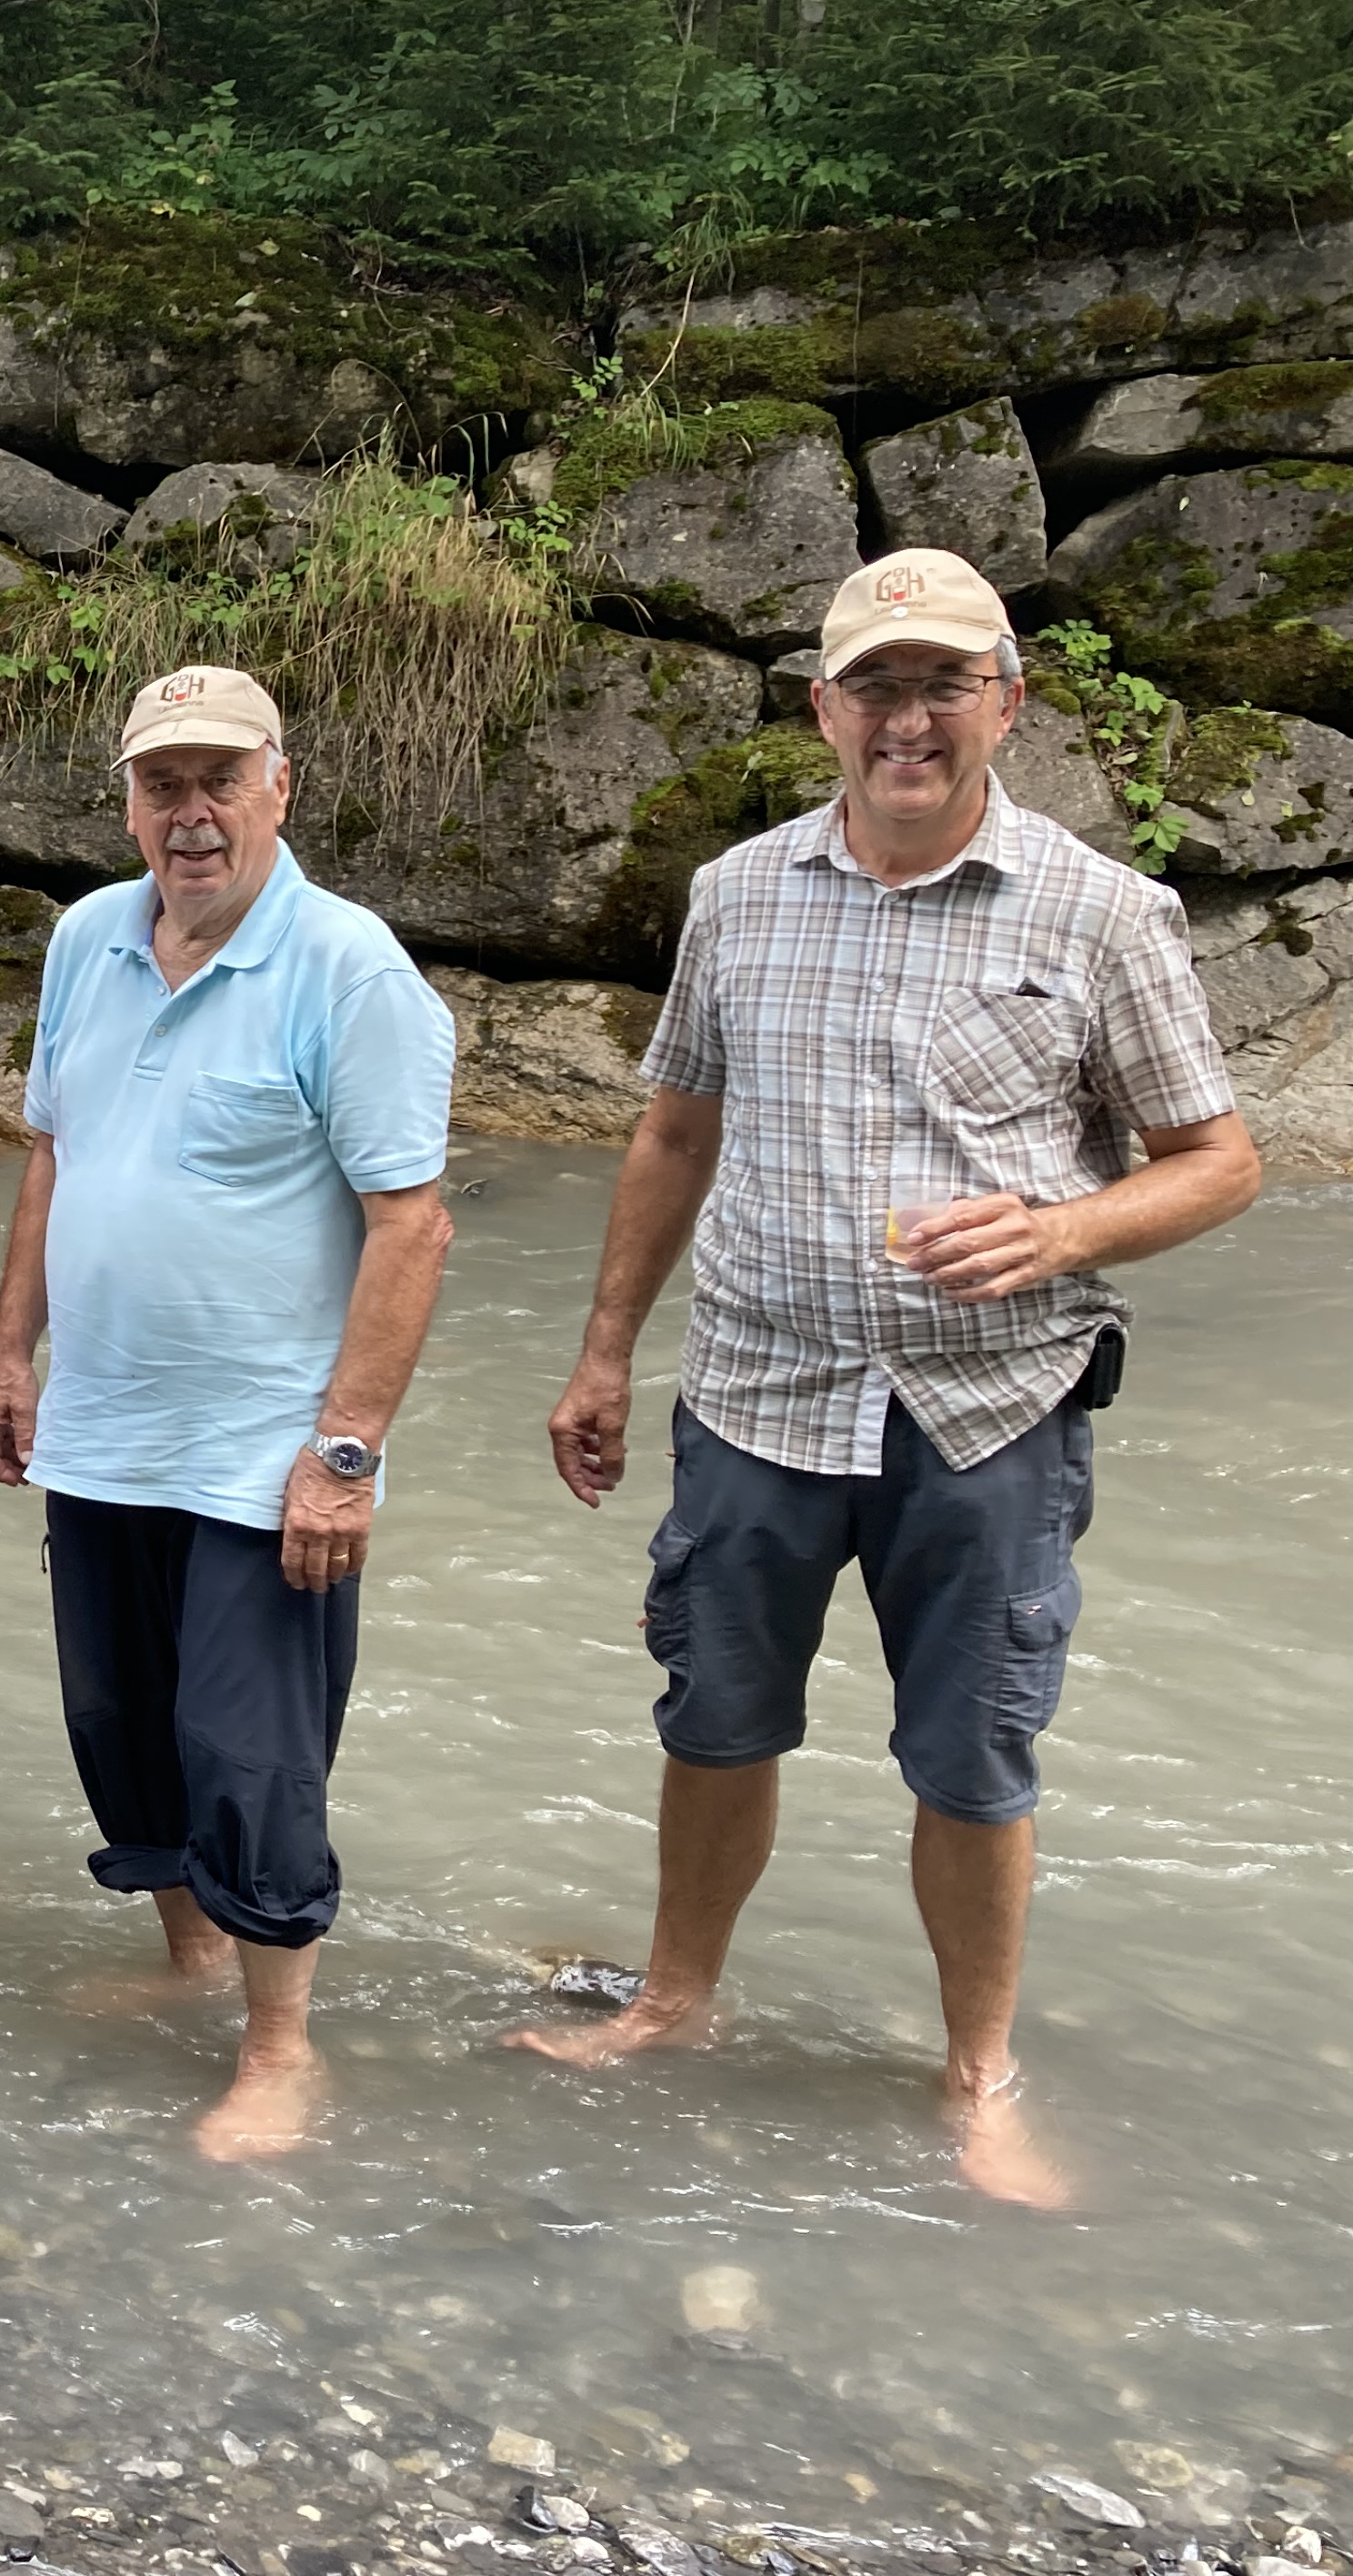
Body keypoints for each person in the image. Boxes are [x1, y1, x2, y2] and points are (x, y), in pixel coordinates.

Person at [514, 551, 1260, 2205]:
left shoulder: (1101, 911)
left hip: (991, 1411)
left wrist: (1066, 1232)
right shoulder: (738, 894)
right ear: (823, 710)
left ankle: (979, 2075)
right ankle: (677, 2002)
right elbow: (675, 1131)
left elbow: (1219, 1161)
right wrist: (605, 1350)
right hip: (758, 1393)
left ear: (1009, 701)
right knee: (715, 1721)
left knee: (973, 1755)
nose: (907, 720)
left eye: (943, 686)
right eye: (876, 687)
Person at [0, 665, 456, 2162]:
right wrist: (9, 1350)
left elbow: (413, 1226)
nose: (192, 814)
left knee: (251, 1753)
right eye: (162, 785)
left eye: (220, 781)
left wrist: (345, 1452)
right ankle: (189, 1963)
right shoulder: (86, 939)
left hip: (264, 1453)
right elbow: (55, 1157)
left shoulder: (350, 969)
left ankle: (280, 2046)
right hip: (104, 1426)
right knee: (120, 1725)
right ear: (129, 803)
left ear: (278, 788)